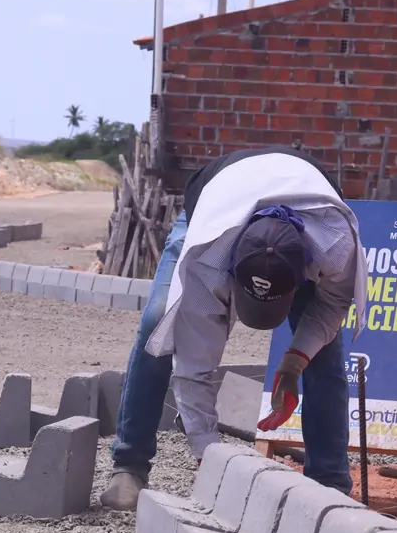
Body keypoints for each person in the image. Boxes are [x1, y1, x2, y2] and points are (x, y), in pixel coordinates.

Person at [99, 144, 368, 511]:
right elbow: (193, 370)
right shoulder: (208, 258)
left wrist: (295, 363)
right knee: (159, 320)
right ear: (233, 277)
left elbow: (333, 304)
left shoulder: (334, 245)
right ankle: (129, 466)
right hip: (216, 203)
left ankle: (329, 484)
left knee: (327, 350)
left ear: (301, 276)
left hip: (308, 208)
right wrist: (212, 463)